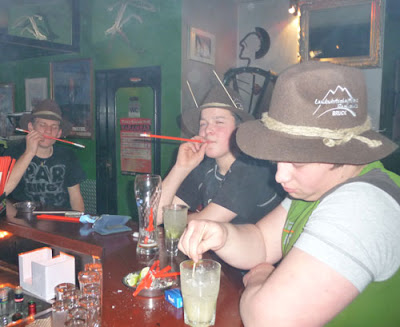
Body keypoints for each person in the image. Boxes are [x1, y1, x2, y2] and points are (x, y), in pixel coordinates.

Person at [179, 61, 400, 327]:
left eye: (297, 163)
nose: (280, 176)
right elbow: (261, 242)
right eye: (277, 160)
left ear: (343, 154)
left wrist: (262, 277)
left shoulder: (366, 205)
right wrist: (223, 235)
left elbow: (268, 319)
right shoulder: (312, 190)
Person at [157, 84, 284, 226]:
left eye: (219, 122)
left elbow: (203, 224)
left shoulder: (253, 168)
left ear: (239, 129)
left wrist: (172, 219)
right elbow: (155, 217)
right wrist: (181, 167)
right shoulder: (204, 167)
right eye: (203, 124)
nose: (208, 130)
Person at [4, 99, 86, 211]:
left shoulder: (68, 155)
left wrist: (79, 222)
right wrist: (29, 153)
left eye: (54, 127)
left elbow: (76, 197)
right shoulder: (13, 152)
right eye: (42, 124)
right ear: (31, 127)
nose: (48, 131)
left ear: (59, 133)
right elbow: (3, 190)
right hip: (22, 221)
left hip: (60, 222)